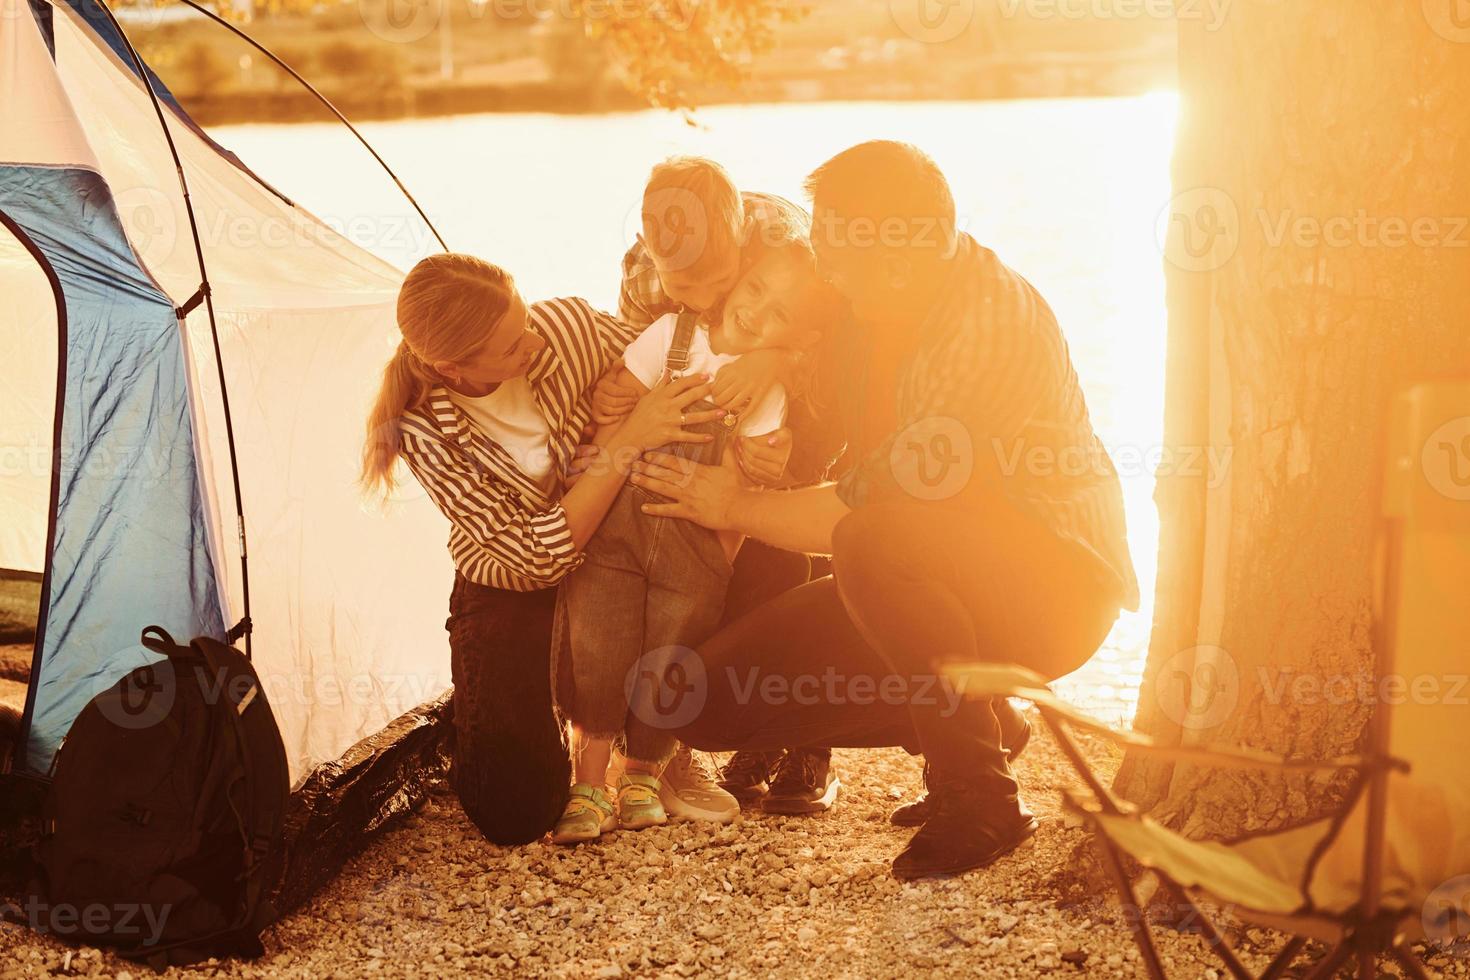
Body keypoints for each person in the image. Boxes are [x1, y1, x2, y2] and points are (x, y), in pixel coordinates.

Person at [628, 141, 1140, 879]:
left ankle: (980, 796)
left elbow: (855, 514)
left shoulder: (985, 330)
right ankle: (985, 724)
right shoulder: (872, 294)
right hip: (922, 578)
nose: (820, 260)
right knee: (701, 704)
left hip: (1053, 587)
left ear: (895, 256)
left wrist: (736, 504)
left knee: (871, 535)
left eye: (833, 246)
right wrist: (776, 352)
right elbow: (781, 288)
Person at [360, 254, 728, 845]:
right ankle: (523, 719)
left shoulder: (567, 331)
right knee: (516, 812)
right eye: (509, 346)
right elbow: (534, 559)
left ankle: (659, 748)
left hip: (620, 545)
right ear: (452, 367)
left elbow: (686, 352)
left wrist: (768, 369)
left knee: (745, 559)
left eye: (524, 319)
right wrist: (622, 446)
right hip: (513, 587)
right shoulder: (419, 428)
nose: (532, 342)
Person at [550, 239, 836, 844]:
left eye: (779, 313)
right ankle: (587, 783)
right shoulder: (671, 338)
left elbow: (747, 482)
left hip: (693, 551)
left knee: (669, 656)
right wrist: (604, 445)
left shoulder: (767, 392)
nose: (756, 311)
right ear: (738, 279)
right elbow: (613, 408)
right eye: (755, 289)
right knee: (599, 646)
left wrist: (761, 469)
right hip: (618, 535)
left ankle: (642, 779)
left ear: (797, 339)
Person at [597, 157, 846, 815]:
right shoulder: (643, 274)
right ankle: (669, 744)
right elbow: (647, 364)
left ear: (741, 237)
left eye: (714, 280)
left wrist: (779, 359)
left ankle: (804, 743)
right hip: (706, 423)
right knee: (686, 555)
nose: (701, 302)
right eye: (680, 284)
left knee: (789, 544)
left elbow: (842, 341)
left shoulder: (787, 237)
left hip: (806, 410)